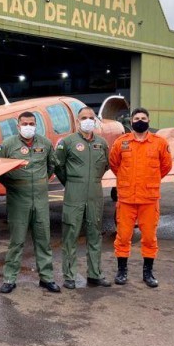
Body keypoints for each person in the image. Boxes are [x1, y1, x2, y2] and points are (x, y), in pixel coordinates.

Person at [0, 112, 60, 294]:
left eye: (31, 123)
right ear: (18, 126)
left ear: (36, 124)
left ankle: (46, 278)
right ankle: (9, 278)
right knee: (16, 241)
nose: (28, 126)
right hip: (18, 200)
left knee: (43, 240)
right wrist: (13, 184)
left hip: (40, 199)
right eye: (25, 123)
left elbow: (51, 166)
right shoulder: (8, 145)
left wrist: (39, 183)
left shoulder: (45, 144)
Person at [109, 108, 172, 287]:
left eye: (143, 118)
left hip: (149, 199)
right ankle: (122, 271)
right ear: (131, 121)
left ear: (149, 120)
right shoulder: (121, 142)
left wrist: (149, 180)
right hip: (127, 199)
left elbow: (165, 166)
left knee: (150, 238)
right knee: (123, 236)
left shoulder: (159, 143)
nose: (140, 120)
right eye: (136, 118)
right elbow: (114, 164)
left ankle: (148, 273)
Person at [55, 107, 112, 289]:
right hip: (74, 193)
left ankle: (95, 274)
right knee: (71, 235)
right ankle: (69, 276)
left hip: (95, 193)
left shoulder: (102, 143)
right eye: (83, 118)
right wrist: (72, 183)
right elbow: (59, 166)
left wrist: (92, 180)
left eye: (91, 118)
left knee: (95, 234)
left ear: (95, 121)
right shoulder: (68, 142)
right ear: (77, 121)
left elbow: (105, 166)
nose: (88, 121)